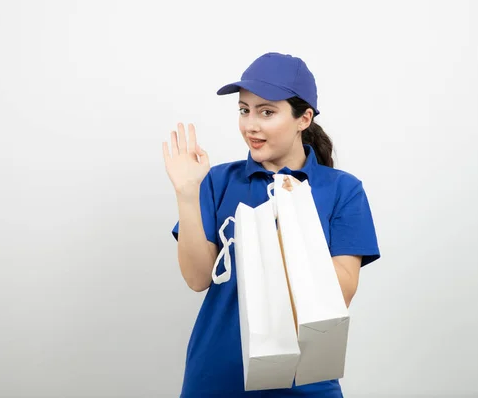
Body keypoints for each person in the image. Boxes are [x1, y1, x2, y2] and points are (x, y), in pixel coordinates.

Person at [162, 52, 381, 397]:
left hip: (305, 384)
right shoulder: (217, 180)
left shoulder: (342, 189)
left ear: (303, 118)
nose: (251, 125)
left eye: (267, 112)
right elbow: (197, 278)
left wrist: (289, 218)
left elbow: (341, 294)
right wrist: (188, 193)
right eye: (244, 110)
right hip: (217, 378)